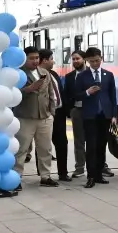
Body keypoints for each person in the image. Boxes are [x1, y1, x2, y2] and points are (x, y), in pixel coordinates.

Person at [12, 47, 57, 188]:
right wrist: (30, 89)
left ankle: (45, 176)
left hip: (44, 117)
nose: (35, 61)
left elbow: (51, 94)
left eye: (37, 58)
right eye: (31, 58)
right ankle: (16, 177)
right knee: (22, 149)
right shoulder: (18, 74)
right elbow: (13, 94)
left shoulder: (44, 72)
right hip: (25, 117)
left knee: (45, 148)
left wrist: (52, 112)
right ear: (24, 59)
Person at [76, 47, 116, 189]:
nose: (95, 63)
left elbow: (112, 96)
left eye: (97, 60)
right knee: (91, 146)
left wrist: (114, 115)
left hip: (105, 115)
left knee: (101, 146)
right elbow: (76, 95)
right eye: (92, 61)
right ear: (87, 61)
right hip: (90, 116)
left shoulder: (108, 75)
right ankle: (91, 176)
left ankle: (99, 174)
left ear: (101, 59)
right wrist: (87, 92)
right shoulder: (82, 76)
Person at [40, 49, 70, 182]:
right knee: (44, 145)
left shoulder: (53, 74)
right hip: (45, 114)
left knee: (62, 143)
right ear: (45, 60)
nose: (54, 61)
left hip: (59, 113)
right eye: (52, 58)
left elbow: (60, 92)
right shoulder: (37, 75)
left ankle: (63, 172)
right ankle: (43, 174)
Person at [64, 51, 88, 179]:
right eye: (73, 59)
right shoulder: (69, 77)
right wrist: (70, 110)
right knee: (79, 141)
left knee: (95, 141)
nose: (75, 61)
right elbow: (67, 94)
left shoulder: (91, 74)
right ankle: (79, 167)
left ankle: (101, 166)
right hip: (77, 111)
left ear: (84, 59)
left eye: (78, 58)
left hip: (91, 111)